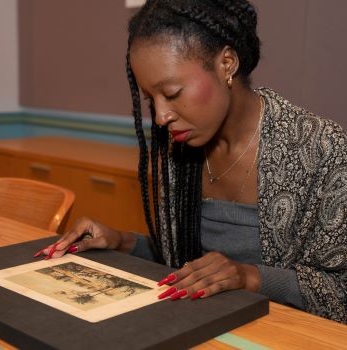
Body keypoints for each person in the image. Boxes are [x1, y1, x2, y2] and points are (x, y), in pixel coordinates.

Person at [34, 0, 347, 323]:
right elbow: (184, 262)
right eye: (150, 100)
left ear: (226, 63)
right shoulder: (180, 147)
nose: (160, 117)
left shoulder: (322, 149)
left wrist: (249, 276)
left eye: (171, 93)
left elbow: (341, 291)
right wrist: (121, 241)